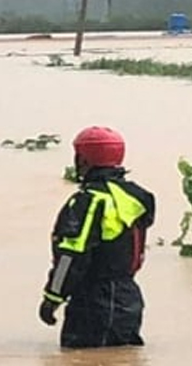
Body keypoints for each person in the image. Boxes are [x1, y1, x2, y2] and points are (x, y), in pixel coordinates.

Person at [38, 126, 155, 348]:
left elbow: (71, 256)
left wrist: (52, 298)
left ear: (83, 160)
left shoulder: (87, 202)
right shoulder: (137, 198)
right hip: (128, 299)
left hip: (93, 302)